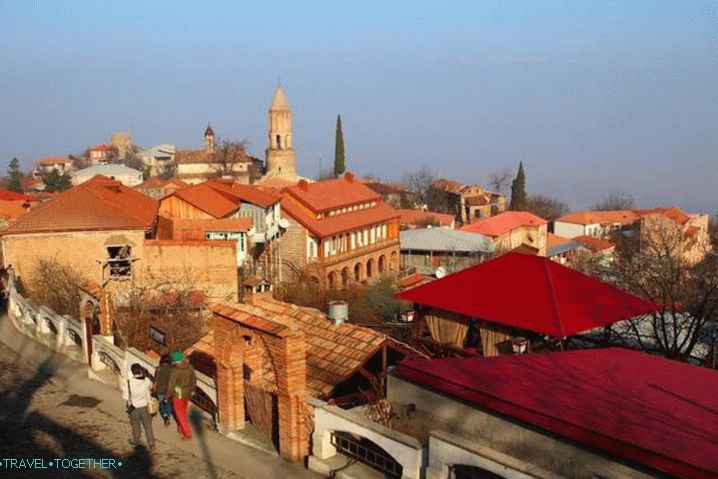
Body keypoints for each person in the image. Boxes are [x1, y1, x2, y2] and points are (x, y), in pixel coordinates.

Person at [122, 363, 156, 450]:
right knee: (148, 427)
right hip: (145, 406)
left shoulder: (128, 383)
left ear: (132, 372)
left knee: (135, 426)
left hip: (133, 408)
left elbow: (125, 397)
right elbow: (151, 387)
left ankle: (136, 440)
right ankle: (151, 444)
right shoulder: (146, 381)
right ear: (140, 370)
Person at [164, 350, 196, 440]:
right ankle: (180, 427)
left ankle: (187, 433)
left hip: (178, 394)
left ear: (174, 361)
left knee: (180, 414)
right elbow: (194, 380)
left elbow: (171, 386)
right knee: (183, 412)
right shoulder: (190, 367)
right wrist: (193, 390)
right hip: (188, 393)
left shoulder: (175, 371)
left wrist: (166, 397)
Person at [153, 354, 173, 427]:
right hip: (169, 390)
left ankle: (165, 416)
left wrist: (154, 389)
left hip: (160, 390)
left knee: (161, 403)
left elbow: (156, 380)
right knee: (168, 403)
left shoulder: (158, 368)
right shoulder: (172, 369)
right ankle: (168, 415)